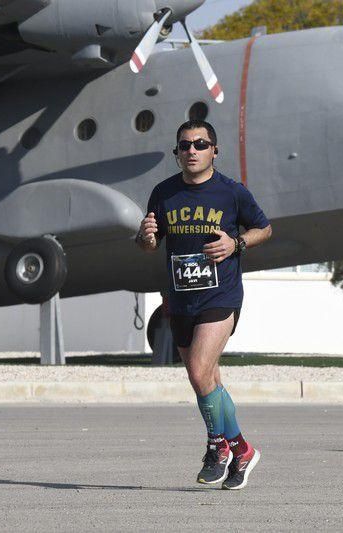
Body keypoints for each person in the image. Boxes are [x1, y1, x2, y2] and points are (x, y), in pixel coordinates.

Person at [136, 119, 272, 489]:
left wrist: (236, 244)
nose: (192, 151)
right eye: (184, 146)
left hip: (220, 295)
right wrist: (145, 237)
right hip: (181, 299)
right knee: (207, 381)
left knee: (198, 370)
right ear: (176, 152)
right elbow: (150, 243)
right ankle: (242, 449)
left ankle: (218, 447)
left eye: (200, 144)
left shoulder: (231, 193)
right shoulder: (163, 193)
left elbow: (264, 228)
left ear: (215, 150)